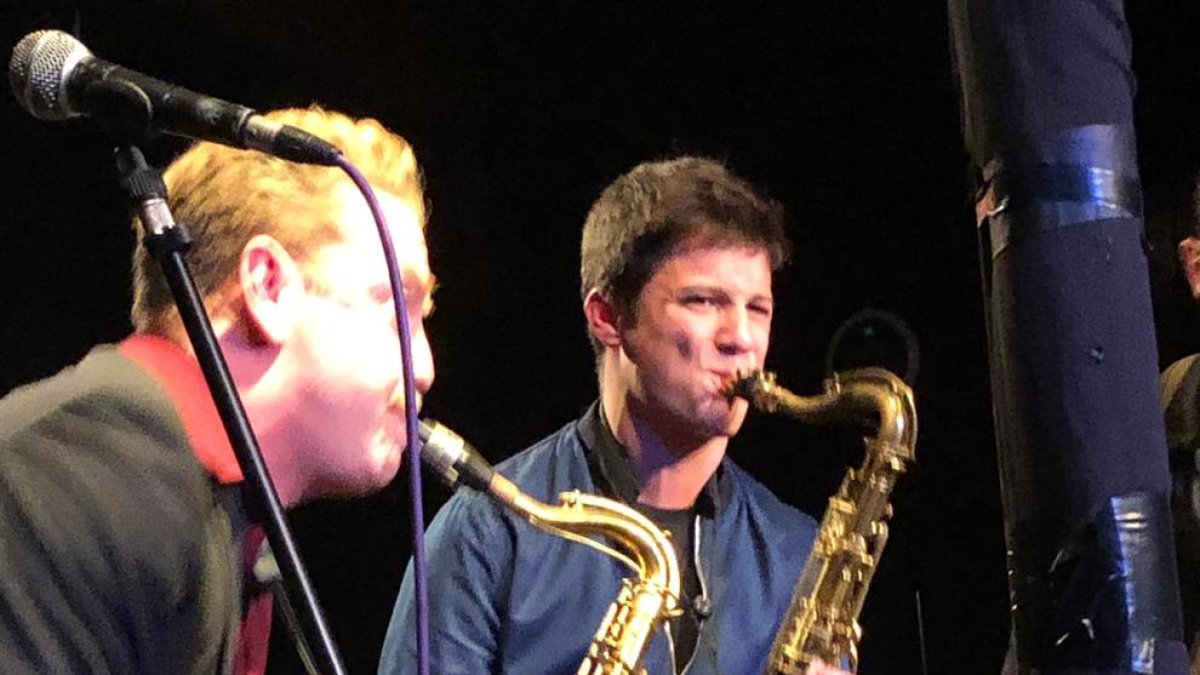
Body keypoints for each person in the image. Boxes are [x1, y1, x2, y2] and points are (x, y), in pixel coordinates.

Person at [0, 106, 436, 674]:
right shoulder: (73, 472)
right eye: (396, 309)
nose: (424, 367)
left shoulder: (210, 512)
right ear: (268, 287)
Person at [380, 157, 847, 674]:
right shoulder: (487, 534)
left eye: (757, 309)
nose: (741, 338)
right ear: (608, 317)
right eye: (702, 301)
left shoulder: (799, 556)